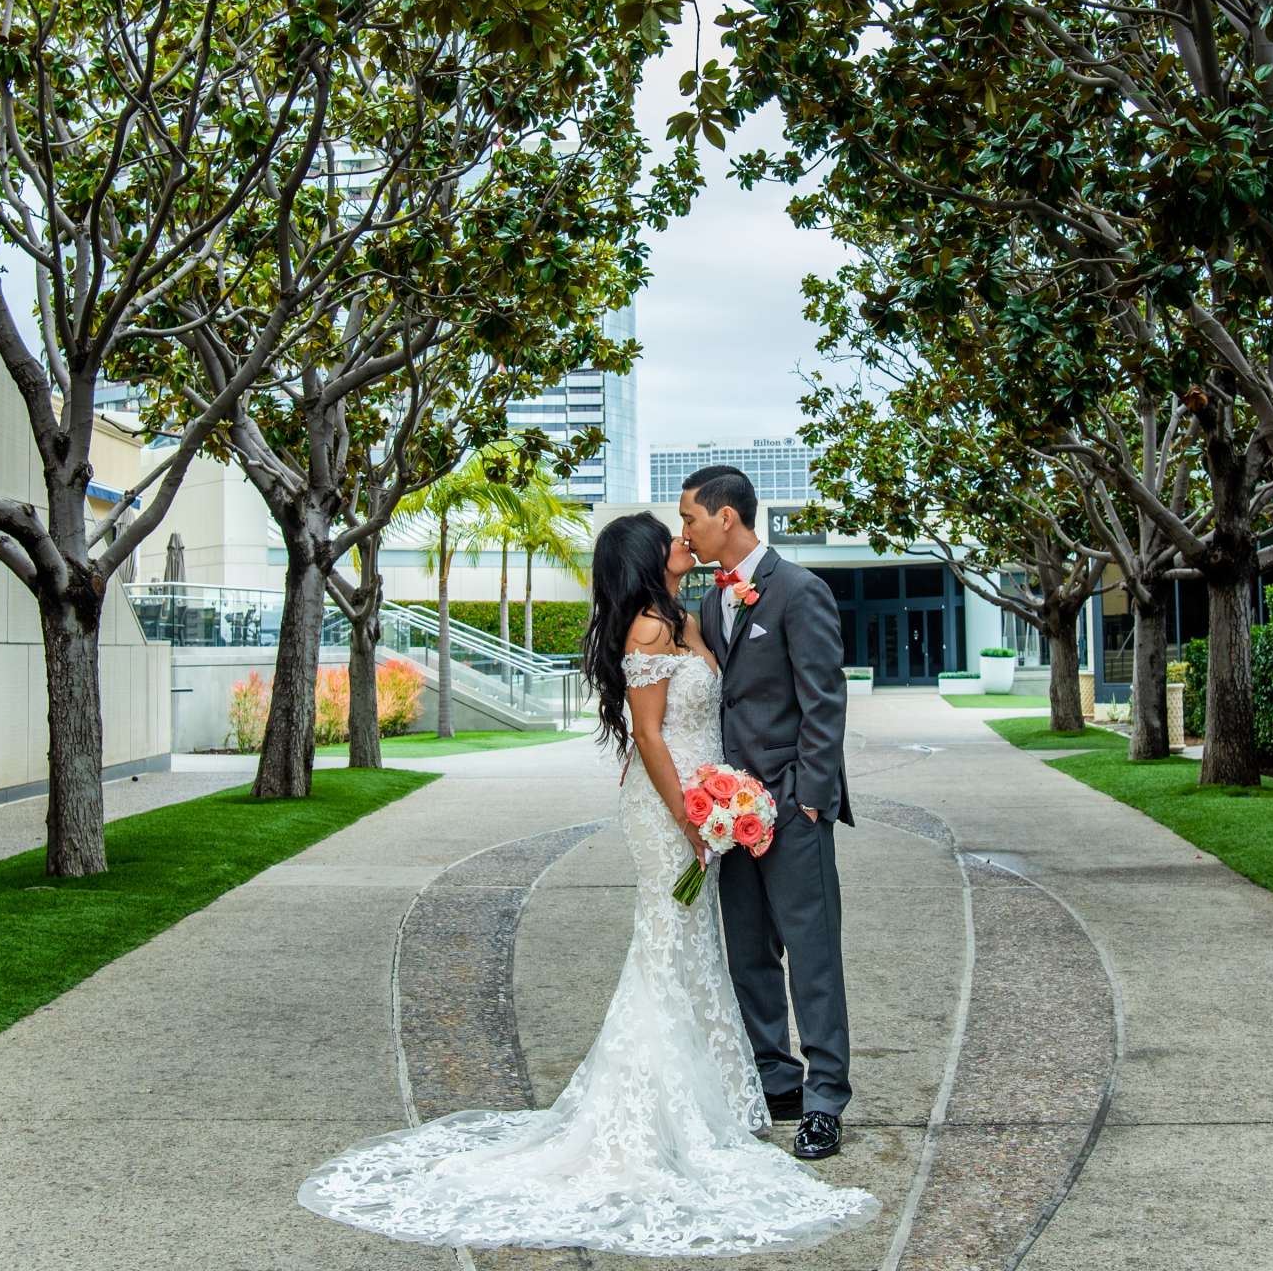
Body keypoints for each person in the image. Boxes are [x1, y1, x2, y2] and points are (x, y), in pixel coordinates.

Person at [297, 511, 878, 1257]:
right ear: (646, 558)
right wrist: (690, 813)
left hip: (730, 803)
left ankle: (760, 1090)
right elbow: (649, 734)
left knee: (722, 946)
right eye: (670, 533)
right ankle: (681, 1099)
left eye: (689, 521)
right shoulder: (648, 627)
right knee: (675, 943)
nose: (683, 536)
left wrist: (759, 798)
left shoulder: (698, 612)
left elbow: (772, 698)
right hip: (673, 810)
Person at [677, 464, 855, 1161]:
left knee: (811, 956)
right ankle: (776, 1079)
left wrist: (809, 801)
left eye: (690, 516)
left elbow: (824, 702)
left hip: (789, 807)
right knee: (748, 953)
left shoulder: (800, 591)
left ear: (727, 517)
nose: (683, 530)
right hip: (728, 813)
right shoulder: (708, 595)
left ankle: (825, 1099)